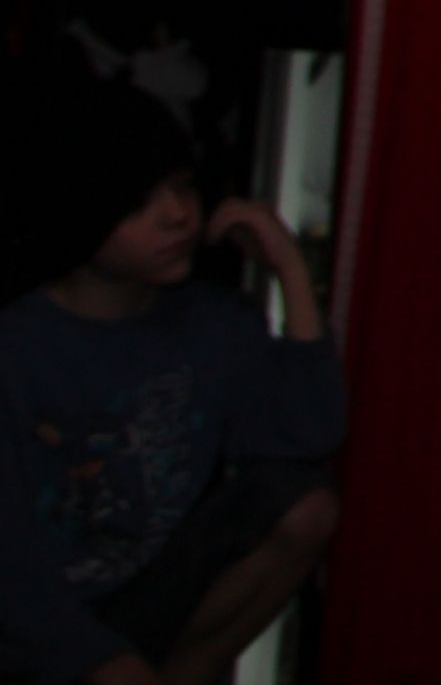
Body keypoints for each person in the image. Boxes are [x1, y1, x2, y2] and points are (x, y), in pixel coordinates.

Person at [0, 75, 342, 685]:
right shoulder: (20, 349)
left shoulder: (210, 324)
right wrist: (98, 662)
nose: (178, 215)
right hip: (27, 617)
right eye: (139, 203)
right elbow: (14, 570)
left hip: (139, 603)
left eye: (183, 187)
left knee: (304, 507)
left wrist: (289, 268)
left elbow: (305, 438)